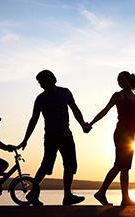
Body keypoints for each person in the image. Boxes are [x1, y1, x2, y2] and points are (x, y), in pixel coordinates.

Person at [18, 69, 91, 206]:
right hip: (51, 137)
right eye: (39, 83)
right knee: (46, 166)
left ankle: (67, 196)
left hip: (66, 135)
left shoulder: (65, 92)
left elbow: (75, 109)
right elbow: (33, 119)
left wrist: (82, 125)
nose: (40, 85)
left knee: (70, 165)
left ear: (51, 79)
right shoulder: (40, 98)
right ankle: (32, 193)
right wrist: (25, 139)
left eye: (42, 82)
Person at [88, 71, 135, 206]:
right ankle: (101, 192)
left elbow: (133, 119)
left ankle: (125, 199)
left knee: (125, 168)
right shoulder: (118, 96)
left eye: (122, 79)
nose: (119, 82)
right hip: (121, 133)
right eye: (118, 80)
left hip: (131, 135)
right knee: (119, 164)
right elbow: (105, 110)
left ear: (129, 80)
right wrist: (91, 123)